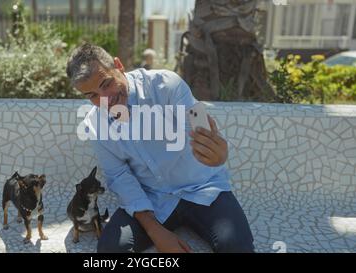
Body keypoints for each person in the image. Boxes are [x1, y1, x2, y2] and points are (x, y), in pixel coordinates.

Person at [66, 43, 254, 253]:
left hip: (203, 187)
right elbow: (118, 175)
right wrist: (156, 231)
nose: (105, 99)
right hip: (152, 197)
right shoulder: (95, 124)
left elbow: (200, 126)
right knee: (110, 251)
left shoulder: (167, 84)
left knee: (238, 248)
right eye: (92, 95)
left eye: (106, 83)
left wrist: (218, 152)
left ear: (118, 66)